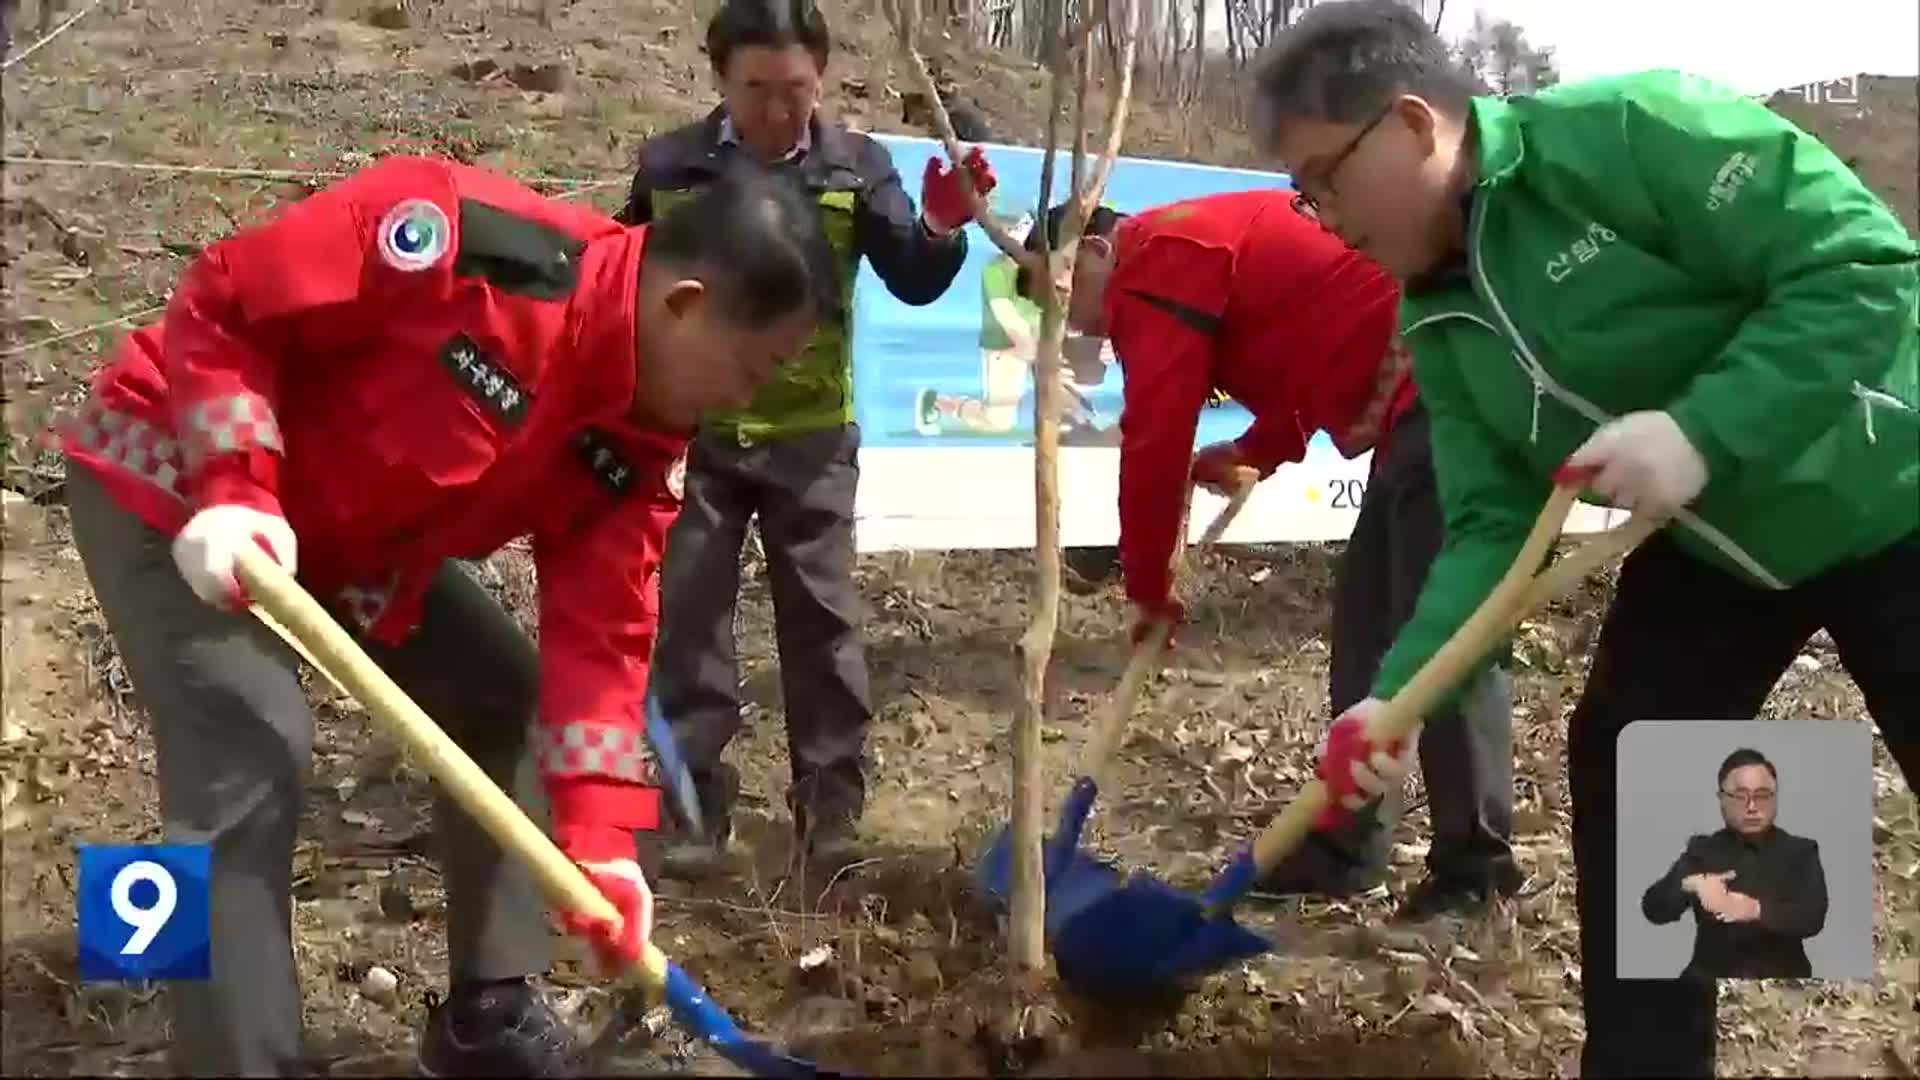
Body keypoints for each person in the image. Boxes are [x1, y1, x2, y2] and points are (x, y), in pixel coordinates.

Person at [1251, 2, 1918, 1075]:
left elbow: (1865, 268)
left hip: (1893, 487)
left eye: (1326, 176)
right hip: (1728, 544)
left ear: (1414, 124)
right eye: (1302, 192)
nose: (1320, 213)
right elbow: (1486, 529)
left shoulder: (1631, 128)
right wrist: (1399, 695)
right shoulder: (1437, 314)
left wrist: (1706, 430)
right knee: (1637, 754)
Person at [54, 155, 829, 1077]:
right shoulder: (462, 246)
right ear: (685, 304)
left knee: (504, 699)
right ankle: (234, 1057)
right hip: (174, 479)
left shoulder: (639, 440)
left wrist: (599, 845)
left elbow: (604, 642)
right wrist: (233, 483)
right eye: (750, 371)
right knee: (250, 750)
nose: (742, 406)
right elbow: (224, 301)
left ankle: (486, 1016)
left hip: (348, 544)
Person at [1015, 192, 1521, 917]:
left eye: (1062, 298)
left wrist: (1151, 588)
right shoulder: (1186, 253)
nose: (1077, 326)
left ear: (1094, 252)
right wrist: (1256, 449)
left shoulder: (1159, 254)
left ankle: (1477, 877)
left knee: (1446, 640)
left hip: (1451, 391)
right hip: (1416, 400)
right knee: (1368, 644)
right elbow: (1315, 349)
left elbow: (1156, 441)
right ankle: (1346, 848)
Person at [617, 0, 997, 876]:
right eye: (757, 91)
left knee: (822, 624)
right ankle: (691, 807)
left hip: (812, 435)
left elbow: (913, 278)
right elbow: (625, 275)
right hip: (696, 432)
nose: (779, 111)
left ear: (821, 80)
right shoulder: (672, 165)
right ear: (720, 79)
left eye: (797, 91)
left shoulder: (856, 167)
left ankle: (830, 813)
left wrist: (942, 227)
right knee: (690, 618)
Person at [1641, 748, 1828, 980]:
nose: (1752, 806)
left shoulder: (1801, 852)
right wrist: (1690, 884)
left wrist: (1753, 910)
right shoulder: (1702, 850)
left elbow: (1812, 918)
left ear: (1775, 797)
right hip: (1709, 982)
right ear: (1721, 799)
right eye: (1740, 796)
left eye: (1762, 795)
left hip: (1783, 984)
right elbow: (1653, 909)